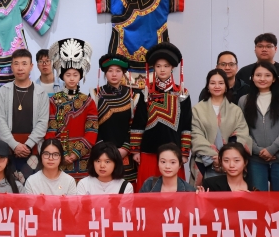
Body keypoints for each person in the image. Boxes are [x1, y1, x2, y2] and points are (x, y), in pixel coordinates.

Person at [132, 42, 192, 190]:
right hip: (149, 152)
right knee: (148, 193)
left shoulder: (182, 93)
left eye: (166, 66)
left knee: (174, 194)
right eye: (158, 66)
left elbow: (186, 124)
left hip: (173, 154)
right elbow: (138, 123)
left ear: (172, 68)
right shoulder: (145, 93)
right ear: (154, 68)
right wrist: (135, 150)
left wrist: (184, 152)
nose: (162, 69)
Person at [45, 38, 98, 179]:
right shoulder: (53, 101)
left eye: (75, 75)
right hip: (58, 157)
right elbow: (50, 131)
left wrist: (75, 153)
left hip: (82, 158)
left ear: (81, 76)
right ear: (62, 76)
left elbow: (92, 132)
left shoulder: (88, 101)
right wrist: (59, 153)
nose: (72, 78)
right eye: (68, 75)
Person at [238, 62, 279, 191]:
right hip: (255, 159)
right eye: (258, 75)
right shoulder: (244, 100)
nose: (262, 78)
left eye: (267, 75)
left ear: (274, 78)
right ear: (252, 78)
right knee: (258, 197)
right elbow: (242, 131)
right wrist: (258, 151)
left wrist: (272, 149)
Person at [0, 49, 50, 184]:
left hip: (33, 148)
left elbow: (43, 122)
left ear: (31, 66)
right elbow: (0, 121)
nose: (20, 68)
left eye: (24, 64)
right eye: (16, 64)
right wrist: (15, 145)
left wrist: (28, 145)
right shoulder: (3, 91)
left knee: (33, 187)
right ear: (11, 66)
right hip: (9, 148)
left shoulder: (41, 92)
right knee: (9, 187)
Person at [92, 53, 145, 184]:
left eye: (118, 71)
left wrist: (125, 148)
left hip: (126, 151)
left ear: (123, 73)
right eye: (110, 71)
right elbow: (92, 125)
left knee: (126, 188)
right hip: (102, 152)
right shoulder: (95, 95)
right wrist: (104, 150)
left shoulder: (134, 95)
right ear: (105, 73)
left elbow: (137, 124)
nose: (114, 74)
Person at [191, 69, 253, 181]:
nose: (217, 86)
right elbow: (196, 135)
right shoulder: (197, 109)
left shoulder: (235, 110)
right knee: (203, 192)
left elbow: (242, 135)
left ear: (226, 86)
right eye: (212, 83)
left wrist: (225, 157)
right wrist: (214, 156)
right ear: (207, 86)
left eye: (221, 83)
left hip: (231, 163)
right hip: (204, 161)